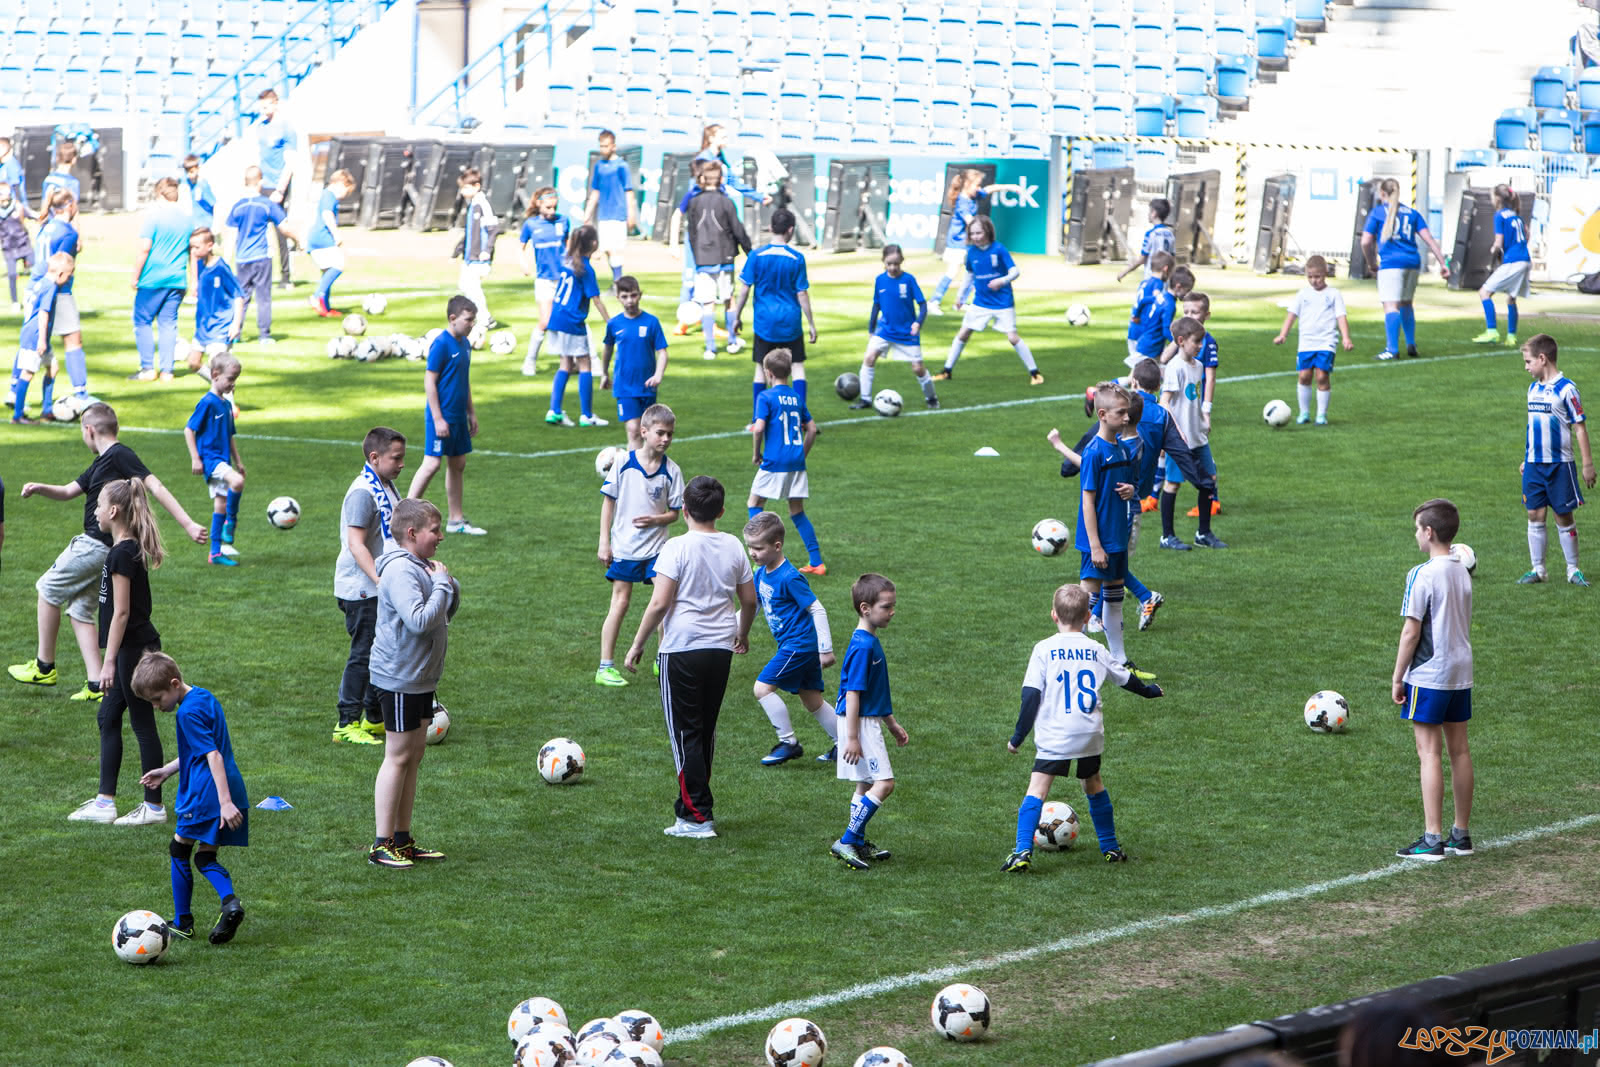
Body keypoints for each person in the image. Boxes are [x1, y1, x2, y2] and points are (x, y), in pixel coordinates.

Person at [8, 402, 204, 702]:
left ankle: (44, 665)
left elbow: (156, 486)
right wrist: (39, 488)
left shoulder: (120, 455)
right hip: (107, 551)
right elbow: (67, 491)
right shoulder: (101, 462)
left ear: (89, 430)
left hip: (95, 544)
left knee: (47, 587)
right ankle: (96, 684)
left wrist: (189, 524)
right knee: (79, 610)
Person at [622, 476, 758, 839]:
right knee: (704, 731)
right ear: (722, 511)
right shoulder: (733, 546)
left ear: (684, 511)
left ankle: (698, 817)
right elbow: (749, 600)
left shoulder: (675, 548)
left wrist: (637, 644)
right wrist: (741, 633)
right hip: (720, 649)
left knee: (685, 734)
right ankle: (690, 810)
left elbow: (660, 602)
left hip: (682, 649)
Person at [1001, 584, 1163, 872]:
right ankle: (1110, 847)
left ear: (1053, 615)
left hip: (1056, 734)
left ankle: (1022, 851)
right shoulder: (1096, 648)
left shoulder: (1044, 649)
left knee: (1037, 789)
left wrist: (1017, 738)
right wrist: (1150, 691)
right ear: (1088, 616)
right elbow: (1126, 678)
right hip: (1089, 732)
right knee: (1093, 783)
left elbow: (1030, 698)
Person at [68, 476, 168, 826]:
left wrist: (108, 661)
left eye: (98, 506)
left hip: (132, 650)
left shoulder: (122, 553)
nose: (94, 511)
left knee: (142, 724)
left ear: (113, 511)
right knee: (108, 717)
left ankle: (153, 806)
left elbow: (121, 612)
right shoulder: (124, 549)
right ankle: (104, 801)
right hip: (131, 648)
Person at [132, 650, 249, 944]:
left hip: (204, 791)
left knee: (179, 849)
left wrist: (223, 802)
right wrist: (167, 771)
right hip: (227, 784)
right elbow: (200, 749)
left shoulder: (186, 713)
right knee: (206, 855)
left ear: (173, 683)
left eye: (157, 699)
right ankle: (230, 903)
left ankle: (183, 922)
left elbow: (212, 755)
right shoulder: (203, 696)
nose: (157, 707)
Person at [368, 498, 460, 869]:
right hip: (401, 678)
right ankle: (381, 843)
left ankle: (402, 839)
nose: (440, 537)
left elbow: (444, 612)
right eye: (435, 531)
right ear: (412, 533)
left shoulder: (421, 566)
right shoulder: (401, 571)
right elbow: (420, 621)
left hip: (419, 677)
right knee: (398, 756)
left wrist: (447, 586)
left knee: (414, 757)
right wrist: (440, 585)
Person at [1392, 498, 1474, 862]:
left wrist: (1398, 677)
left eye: (1417, 529)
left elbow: (1411, 632)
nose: (1415, 535)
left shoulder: (1422, 574)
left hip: (1429, 673)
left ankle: (1432, 838)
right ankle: (1461, 833)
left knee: (1429, 753)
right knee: (1460, 751)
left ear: (1429, 532)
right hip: (1461, 670)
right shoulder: (1462, 569)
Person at [596, 404, 684, 687]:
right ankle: (605, 666)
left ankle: (663, 659)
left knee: (665, 603)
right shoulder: (623, 463)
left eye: (670, 434)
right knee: (620, 603)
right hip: (625, 548)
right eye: (660, 433)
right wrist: (604, 542)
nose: (666, 439)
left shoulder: (672, 470)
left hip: (658, 549)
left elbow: (675, 512)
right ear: (644, 432)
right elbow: (608, 502)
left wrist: (656, 519)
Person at [743, 511, 840, 765]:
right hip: (796, 645)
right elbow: (753, 607)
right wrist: (737, 632)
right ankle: (845, 745)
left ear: (777, 546)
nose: (753, 553)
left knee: (762, 688)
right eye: (750, 547)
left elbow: (817, 609)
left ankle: (789, 743)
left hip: (799, 645)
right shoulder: (762, 572)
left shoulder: (790, 577)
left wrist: (825, 649)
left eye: (758, 548)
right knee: (812, 700)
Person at [333, 426, 407, 744]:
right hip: (362, 589)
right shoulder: (364, 492)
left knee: (384, 652)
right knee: (364, 654)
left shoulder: (386, 485)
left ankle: (375, 719)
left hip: (378, 586)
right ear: (374, 457)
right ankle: (346, 723)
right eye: (396, 458)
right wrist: (380, 579)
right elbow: (356, 543)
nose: (402, 464)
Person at [830, 572, 907, 870]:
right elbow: (852, 693)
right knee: (884, 784)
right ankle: (847, 840)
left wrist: (891, 723)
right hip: (859, 722)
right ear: (866, 608)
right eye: (886, 607)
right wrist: (851, 738)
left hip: (865, 719)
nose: (892, 612)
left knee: (864, 784)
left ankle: (857, 842)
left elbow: (874, 691)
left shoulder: (868, 640)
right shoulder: (863, 646)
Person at [1076, 383, 1147, 678]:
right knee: (1085, 601)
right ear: (1102, 414)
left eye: (1127, 413)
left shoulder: (1122, 448)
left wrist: (1133, 490)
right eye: (1121, 413)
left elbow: (1131, 484)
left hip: (1117, 537)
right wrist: (1095, 545)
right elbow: (1087, 500)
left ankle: (1119, 658)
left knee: (1115, 596)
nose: (1127, 418)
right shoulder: (1094, 452)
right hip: (1099, 540)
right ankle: (1073, 657)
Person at [1518, 333, 1595, 585]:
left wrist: (1587, 464)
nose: (1526, 367)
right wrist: (1526, 458)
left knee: (1563, 516)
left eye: (1529, 362)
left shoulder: (1567, 390)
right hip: (1534, 464)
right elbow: (1532, 426)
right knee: (1534, 514)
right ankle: (1538, 570)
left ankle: (1573, 570)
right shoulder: (1533, 389)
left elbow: (1579, 427)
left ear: (1543, 358)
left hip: (1560, 465)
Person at [407, 295, 484, 535]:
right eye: (468, 319)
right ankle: (401, 514)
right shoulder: (441, 344)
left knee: (458, 463)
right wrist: (438, 418)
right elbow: (430, 381)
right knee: (431, 464)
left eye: (473, 320)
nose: (472, 324)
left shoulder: (465, 344)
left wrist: (471, 412)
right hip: (441, 416)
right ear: (453, 318)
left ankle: (456, 520)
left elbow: (464, 381)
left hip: (459, 416)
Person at [937, 216, 1042, 385]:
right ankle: (946, 371)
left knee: (1013, 337)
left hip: (1003, 302)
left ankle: (1035, 373)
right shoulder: (971, 252)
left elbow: (1015, 272)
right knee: (963, 333)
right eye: (973, 234)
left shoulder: (999, 249)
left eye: (979, 232)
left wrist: (1002, 281)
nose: (976, 237)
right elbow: (969, 276)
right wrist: (960, 296)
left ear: (987, 231)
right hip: (980, 302)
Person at [732, 207, 816, 416]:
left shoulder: (757, 255)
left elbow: (744, 289)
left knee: (760, 368)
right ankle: (800, 417)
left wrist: (736, 317)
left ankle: (757, 418)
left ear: (771, 227)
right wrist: (811, 324)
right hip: (790, 323)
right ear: (790, 229)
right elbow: (802, 294)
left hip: (764, 324)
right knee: (797, 367)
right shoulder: (796, 258)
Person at [748, 348, 825, 575]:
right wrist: (803, 453)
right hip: (796, 461)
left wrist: (755, 453)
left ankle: (759, 557)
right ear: (789, 372)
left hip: (774, 461)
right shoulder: (796, 397)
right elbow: (811, 429)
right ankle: (817, 562)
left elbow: (759, 427)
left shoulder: (765, 397)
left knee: (754, 504)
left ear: (768, 372)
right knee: (797, 511)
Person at [1360, 176, 1449, 361]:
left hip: (1391, 264)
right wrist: (1442, 263)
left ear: (1382, 193)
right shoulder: (1412, 213)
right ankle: (1411, 343)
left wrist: (1371, 263)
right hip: (1412, 263)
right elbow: (1429, 239)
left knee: (1391, 305)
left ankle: (1391, 349)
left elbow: (1366, 241)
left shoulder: (1378, 212)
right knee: (1407, 303)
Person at [672, 161, 752, 361]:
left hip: (703, 260)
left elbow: (691, 232)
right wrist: (749, 251)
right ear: (721, 179)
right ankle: (732, 341)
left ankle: (710, 347)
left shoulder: (694, 201)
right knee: (728, 299)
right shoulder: (726, 202)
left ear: (702, 179)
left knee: (707, 303)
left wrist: (698, 254)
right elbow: (737, 228)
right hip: (724, 258)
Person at [1159, 317, 1226, 550]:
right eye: (1197, 341)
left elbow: (1192, 399)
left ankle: (1203, 533)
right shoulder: (1175, 368)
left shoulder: (1197, 367)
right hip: (1180, 441)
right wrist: (1173, 434)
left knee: (1210, 481)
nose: (1200, 345)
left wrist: (1203, 418)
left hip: (1198, 437)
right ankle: (1167, 536)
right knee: (1173, 484)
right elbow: (1164, 402)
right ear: (1181, 341)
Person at [543, 224, 611, 429]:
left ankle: (554, 410)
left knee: (565, 364)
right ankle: (587, 415)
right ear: (594, 243)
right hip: (572, 321)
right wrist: (611, 321)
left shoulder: (568, 261)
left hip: (557, 318)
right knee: (585, 365)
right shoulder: (586, 269)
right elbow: (596, 298)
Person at [855, 244, 937, 410]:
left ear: (902, 261)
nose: (892, 267)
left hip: (907, 332)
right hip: (885, 330)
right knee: (869, 358)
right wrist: (871, 329)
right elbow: (876, 306)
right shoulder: (880, 280)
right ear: (883, 262)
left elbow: (922, 305)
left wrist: (918, 323)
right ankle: (865, 399)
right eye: (889, 264)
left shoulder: (909, 280)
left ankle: (931, 398)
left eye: (896, 264)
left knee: (918, 368)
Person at [1273, 255, 1352, 426]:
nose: (1314, 280)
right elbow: (1291, 315)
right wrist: (1283, 334)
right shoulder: (1303, 294)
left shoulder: (1333, 294)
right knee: (1304, 376)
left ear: (1325, 273)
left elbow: (1341, 316)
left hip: (1326, 342)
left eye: (1317, 276)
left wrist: (1346, 337)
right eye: (1310, 276)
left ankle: (1321, 415)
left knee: (1322, 376)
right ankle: (1304, 413)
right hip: (1306, 343)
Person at [929, 168, 1020, 314]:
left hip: (967, 243)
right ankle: (934, 301)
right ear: (967, 184)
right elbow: (970, 222)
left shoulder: (973, 196)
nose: (978, 188)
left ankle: (961, 302)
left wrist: (1010, 187)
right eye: (976, 185)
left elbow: (990, 189)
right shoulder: (962, 202)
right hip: (957, 242)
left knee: (972, 272)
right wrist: (984, 232)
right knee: (952, 271)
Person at [183, 353, 245, 566]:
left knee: (220, 503)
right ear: (215, 375)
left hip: (223, 460)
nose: (232, 384)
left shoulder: (226, 405)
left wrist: (238, 462)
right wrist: (195, 459)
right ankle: (231, 521)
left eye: (235, 379)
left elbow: (229, 435)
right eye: (230, 379)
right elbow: (189, 430)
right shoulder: (207, 402)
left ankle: (215, 553)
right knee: (236, 482)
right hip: (210, 460)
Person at [226, 166, 293, 345]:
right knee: (263, 297)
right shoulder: (266, 204)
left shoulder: (237, 207)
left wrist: (226, 259)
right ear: (261, 182)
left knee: (242, 297)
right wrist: (298, 239)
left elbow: (231, 235)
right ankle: (264, 335)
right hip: (262, 256)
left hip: (242, 259)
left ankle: (236, 333)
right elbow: (284, 226)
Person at [601, 275, 669, 450]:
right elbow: (607, 349)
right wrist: (604, 373)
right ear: (618, 298)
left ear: (640, 294)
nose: (629, 300)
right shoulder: (614, 324)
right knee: (633, 430)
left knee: (651, 433)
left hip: (647, 386)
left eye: (633, 295)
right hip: (625, 386)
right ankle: (634, 471)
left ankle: (649, 469)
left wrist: (658, 375)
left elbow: (662, 352)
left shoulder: (651, 322)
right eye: (624, 296)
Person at [33, 190, 90, 401]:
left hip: (37, 288)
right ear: (69, 206)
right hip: (59, 291)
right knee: (73, 339)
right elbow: (65, 263)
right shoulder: (68, 233)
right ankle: (80, 392)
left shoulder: (44, 226)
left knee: (35, 343)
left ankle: (16, 392)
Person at [12, 251, 72, 424]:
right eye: (68, 275)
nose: (68, 279)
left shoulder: (40, 283)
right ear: (60, 273)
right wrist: (42, 340)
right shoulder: (51, 287)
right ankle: (18, 415)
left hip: (34, 333)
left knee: (53, 368)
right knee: (28, 373)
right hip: (36, 336)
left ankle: (47, 410)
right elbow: (43, 314)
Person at [518, 186, 571, 376]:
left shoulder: (563, 221)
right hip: (544, 280)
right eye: (548, 207)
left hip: (564, 279)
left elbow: (568, 246)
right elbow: (521, 246)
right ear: (539, 204)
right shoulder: (531, 224)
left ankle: (566, 363)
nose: (552, 211)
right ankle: (530, 360)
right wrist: (524, 264)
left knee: (566, 320)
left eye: (554, 207)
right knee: (546, 321)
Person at [1472, 184, 1530, 347]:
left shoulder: (1499, 215)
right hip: (1525, 259)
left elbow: (1499, 241)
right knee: (1511, 299)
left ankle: (1492, 332)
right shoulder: (1517, 216)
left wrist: (1493, 250)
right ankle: (1511, 337)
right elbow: (1527, 235)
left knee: (1484, 292)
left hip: (1513, 261)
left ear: (1497, 198)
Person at [183, 228, 245, 381]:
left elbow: (239, 296)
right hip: (203, 327)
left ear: (210, 246)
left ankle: (229, 402)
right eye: (191, 247)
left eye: (196, 247)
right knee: (193, 362)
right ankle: (221, 387)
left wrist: (236, 324)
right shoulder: (201, 264)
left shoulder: (221, 267)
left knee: (217, 367)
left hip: (220, 326)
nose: (193, 251)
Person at [253, 88, 298, 289]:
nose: (263, 109)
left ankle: (286, 276)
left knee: (281, 231)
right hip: (263, 185)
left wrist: (280, 189)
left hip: (278, 187)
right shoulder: (260, 127)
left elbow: (290, 162)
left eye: (267, 105)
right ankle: (260, 274)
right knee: (259, 231)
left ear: (275, 104)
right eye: (261, 106)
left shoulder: (286, 129)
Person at [585, 129, 636, 290]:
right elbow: (595, 191)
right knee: (609, 251)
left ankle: (618, 285)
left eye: (606, 146)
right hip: (604, 214)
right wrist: (588, 212)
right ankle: (617, 282)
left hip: (618, 213)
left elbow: (628, 191)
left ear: (613, 146)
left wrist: (631, 213)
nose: (603, 149)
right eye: (601, 146)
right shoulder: (599, 166)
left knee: (614, 249)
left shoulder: (621, 166)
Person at [308, 168, 355, 317]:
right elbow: (327, 214)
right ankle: (317, 297)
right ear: (340, 183)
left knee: (327, 271)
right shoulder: (329, 195)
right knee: (339, 264)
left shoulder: (326, 195)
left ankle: (325, 308)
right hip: (322, 237)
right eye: (346, 191)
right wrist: (336, 234)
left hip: (315, 238)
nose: (345, 196)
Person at [456, 167, 499, 329]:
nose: (463, 191)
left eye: (466, 187)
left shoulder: (482, 204)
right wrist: (458, 250)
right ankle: (480, 317)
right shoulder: (473, 204)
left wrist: (486, 251)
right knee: (464, 285)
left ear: (477, 186)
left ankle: (485, 318)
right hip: (469, 256)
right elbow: (470, 232)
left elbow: (493, 229)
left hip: (479, 256)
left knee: (472, 287)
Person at [1126, 251, 1172, 368]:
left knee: (1146, 369)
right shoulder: (1158, 284)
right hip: (1142, 331)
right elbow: (1147, 299)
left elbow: (1140, 300)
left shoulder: (1144, 282)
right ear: (1166, 269)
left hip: (1133, 328)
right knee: (1143, 370)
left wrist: (1135, 314)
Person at [1115, 198, 1175, 283]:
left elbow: (1142, 259)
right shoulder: (1170, 234)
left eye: (1149, 211)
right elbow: (1172, 258)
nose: (1148, 214)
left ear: (1154, 213)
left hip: (1151, 278)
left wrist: (1125, 272)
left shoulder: (1151, 234)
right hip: (1165, 279)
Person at [0, 180, 32, 309]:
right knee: (12, 275)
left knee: (36, 268)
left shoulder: (18, 207)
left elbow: (33, 215)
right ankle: (15, 302)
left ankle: (31, 297)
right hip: (9, 248)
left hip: (23, 244)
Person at [178, 155, 215, 231]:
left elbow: (212, 204)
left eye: (192, 172)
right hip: (191, 224)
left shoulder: (203, 184)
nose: (189, 175)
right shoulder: (186, 183)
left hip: (204, 223)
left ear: (198, 169)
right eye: (187, 172)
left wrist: (201, 200)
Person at [39, 140, 80, 206]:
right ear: (74, 159)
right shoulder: (73, 182)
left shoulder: (48, 179)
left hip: (50, 216)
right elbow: (73, 208)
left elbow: (44, 205)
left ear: (57, 158)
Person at [0, 136, 29, 216]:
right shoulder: (2, 165)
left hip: (12, 208)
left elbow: (16, 188)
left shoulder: (12, 165)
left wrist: (19, 207)